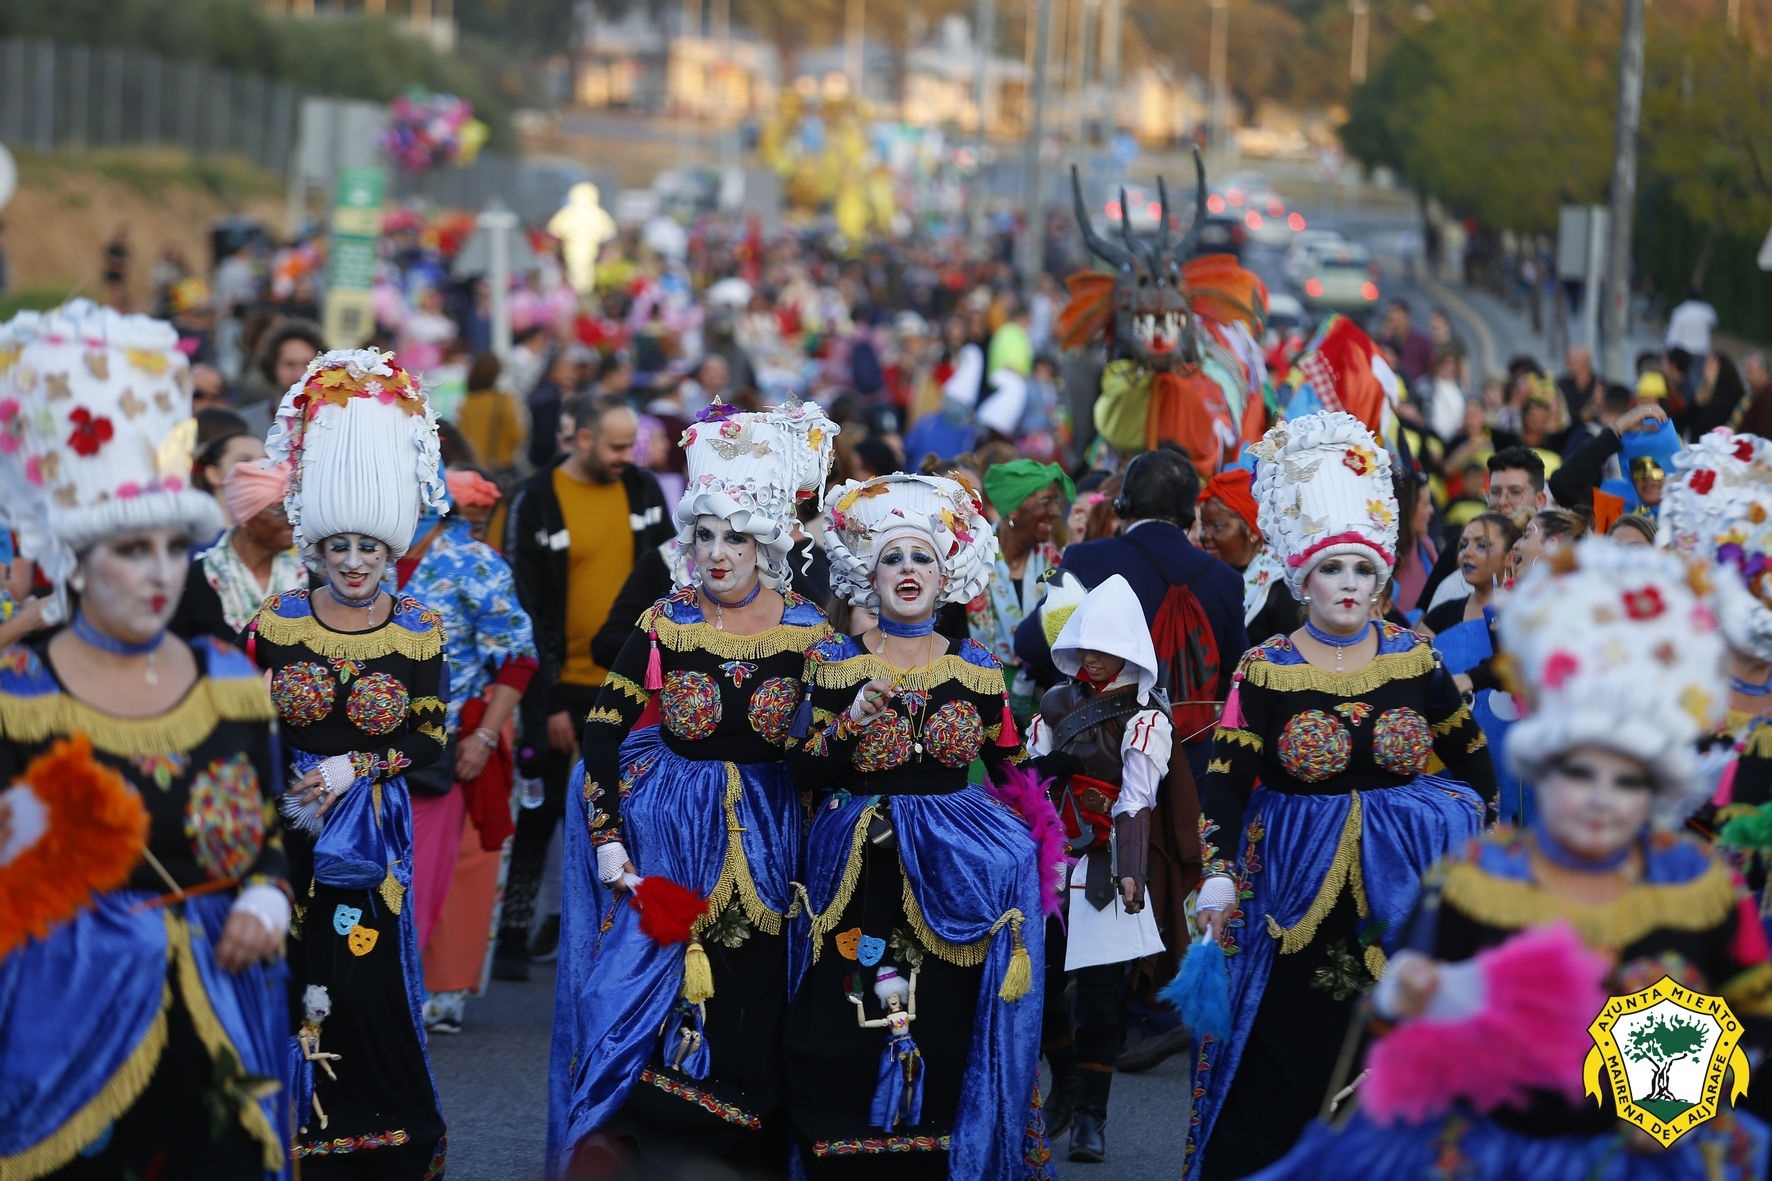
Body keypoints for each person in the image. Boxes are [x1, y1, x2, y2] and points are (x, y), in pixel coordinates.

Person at [1248, 541, 1771, 1181]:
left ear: (1655, 791)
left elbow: (1755, 1012)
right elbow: (1399, 1025)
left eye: (1627, 781)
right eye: (1581, 773)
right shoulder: (1478, 881)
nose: (1601, 800)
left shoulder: (1696, 885)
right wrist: (1416, 999)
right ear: (1546, 770)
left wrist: (1684, 1102)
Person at [0, 299, 292, 1176]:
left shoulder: (231, 684)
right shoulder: (20, 695)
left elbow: (267, 836)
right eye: (133, 549)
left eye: (175, 546)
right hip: (62, 1021)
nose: (162, 572)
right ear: (80, 562)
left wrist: (265, 900)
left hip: (220, 1009)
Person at [1187, 412, 1494, 1180]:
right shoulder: (1264, 669)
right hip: (1292, 892)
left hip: (1403, 893)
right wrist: (1219, 869)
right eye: (1332, 570)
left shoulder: (1413, 656)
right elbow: (1222, 782)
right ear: (1302, 577)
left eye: (1363, 570)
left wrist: (1471, 827)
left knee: (1395, 1051)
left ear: (1383, 577)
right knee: (1288, 1044)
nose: (1349, 586)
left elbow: (1471, 757)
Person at [549, 407, 836, 1177]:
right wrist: (609, 839)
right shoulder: (662, 620)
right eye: (704, 534)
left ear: (766, 546)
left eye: (736, 537)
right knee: (654, 993)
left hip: (773, 834)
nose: (716, 552)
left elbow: (823, 747)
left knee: (754, 986)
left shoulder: (811, 631)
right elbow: (602, 731)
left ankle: (738, 1150)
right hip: (668, 832)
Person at [782, 473, 1054, 1180]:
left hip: (958, 871)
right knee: (851, 1010)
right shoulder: (834, 663)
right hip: (860, 862)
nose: (908, 571)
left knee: (945, 1017)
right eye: (893, 559)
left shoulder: (978, 668)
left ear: (946, 575)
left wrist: (1038, 849)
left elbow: (1015, 773)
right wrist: (849, 724)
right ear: (869, 576)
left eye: (922, 558)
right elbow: (803, 769)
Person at [251, 348, 450, 1177]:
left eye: (372, 547)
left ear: (392, 547)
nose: (358, 561)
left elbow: (432, 745)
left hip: (368, 831)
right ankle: (277, 1129)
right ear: (318, 546)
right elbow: (237, 721)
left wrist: (355, 768)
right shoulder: (277, 620)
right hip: (285, 829)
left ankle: (373, 1135)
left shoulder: (419, 629)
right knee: (286, 974)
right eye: (342, 546)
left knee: (361, 978)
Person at [496, 393, 672, 980]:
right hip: (561, 686)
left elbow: (675, 573)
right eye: (618, 446)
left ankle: (608, 927)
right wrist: (542, 702)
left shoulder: (643, 491)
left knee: (626, 814)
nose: (629, 457)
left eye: (633, 446)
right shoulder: (535, 498)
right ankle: (516, 929)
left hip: (632, 689)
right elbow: (524, 605)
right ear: (583, 438)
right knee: (542, 808)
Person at [1025, 575, 1185, 1164]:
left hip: (1107, 867)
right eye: (1083, 642)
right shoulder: (1053, 702)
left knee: (1098, 997)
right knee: (1037, 988)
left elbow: (1136, 800)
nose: (1090, 653)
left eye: (1104, 642)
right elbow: (1027, 784)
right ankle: (1063, 1079)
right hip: (1050, 859)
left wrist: (1130, 869)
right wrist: (1045, 771)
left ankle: (1091, 1115)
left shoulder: (1146, 716)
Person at [396, 484, 538, 1037]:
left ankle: (439, 991)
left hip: (451, 744)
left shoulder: (475, 560)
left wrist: (483, 736)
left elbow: (517, 659)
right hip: (367, 747)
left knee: (456, 871)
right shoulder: (359, 553)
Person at [972, 459, 1072, 721]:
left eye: (1056, 502)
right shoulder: (970, 560)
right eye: (1045, 501)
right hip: (977, 698)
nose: (1055, 511)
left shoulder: (1059, 565)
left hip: (1045, 704)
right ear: (1014, 509)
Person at [172, 459, 305, 642]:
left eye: (294, 509)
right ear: (246, 518)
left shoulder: (305, 580)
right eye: (280, 510)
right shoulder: (197, 580)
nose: (291, 520)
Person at [1420, 446, 1548, 613]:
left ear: (1539, 500)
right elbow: (1424, 620)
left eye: (1515, 492)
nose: (1502, 501)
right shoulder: (1460, 547)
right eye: (1495, 492)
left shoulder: (1553, 555)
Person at [1195, 468, 1296, 643]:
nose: (1205, 535)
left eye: (1217, 526)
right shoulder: (1207, 578)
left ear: (1252, 530)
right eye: (1204, 525)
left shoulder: (1281, 590)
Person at [1417, 513, 1521, 638]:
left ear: (1510, 557)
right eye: (1464, 545)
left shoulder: (1528, 613)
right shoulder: (1441, 616)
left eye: (1482, 545)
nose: (1467, 553)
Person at [455, 352, 524, 474]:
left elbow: (461, 437)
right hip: (502, 465)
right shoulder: (504, 400)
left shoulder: (467, 403)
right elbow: (517, 434)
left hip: (476, 467)